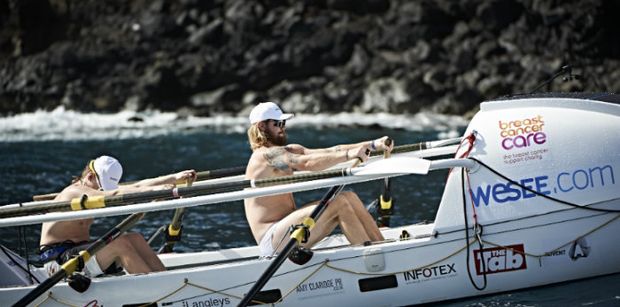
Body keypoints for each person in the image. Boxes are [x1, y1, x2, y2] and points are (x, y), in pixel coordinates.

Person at [244, 102, 394, 257]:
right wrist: (349, 156)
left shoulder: (286, 150)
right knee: (338, 203)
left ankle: (381, 246)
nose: (282, 127)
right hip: (273, 240)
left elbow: (331, 150)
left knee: (349, 196)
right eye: (277, 123)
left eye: (284, 123)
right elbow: (306, 163)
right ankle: (373, 258)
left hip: (290, 230)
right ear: (261, 126)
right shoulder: (265, 156)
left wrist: (373, 144)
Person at [39, 155, 196, 277]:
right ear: (90, 177)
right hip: (58, 262)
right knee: (119, 244)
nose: (102, 192)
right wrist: (153, 192)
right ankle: (154, 291)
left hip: (80, 252)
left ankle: (167, 284)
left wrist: (175, 178)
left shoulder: (93, 188)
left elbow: (137, 186)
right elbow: (115, 193)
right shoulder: (74, 192)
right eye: (101, 188)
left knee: (135, 238)